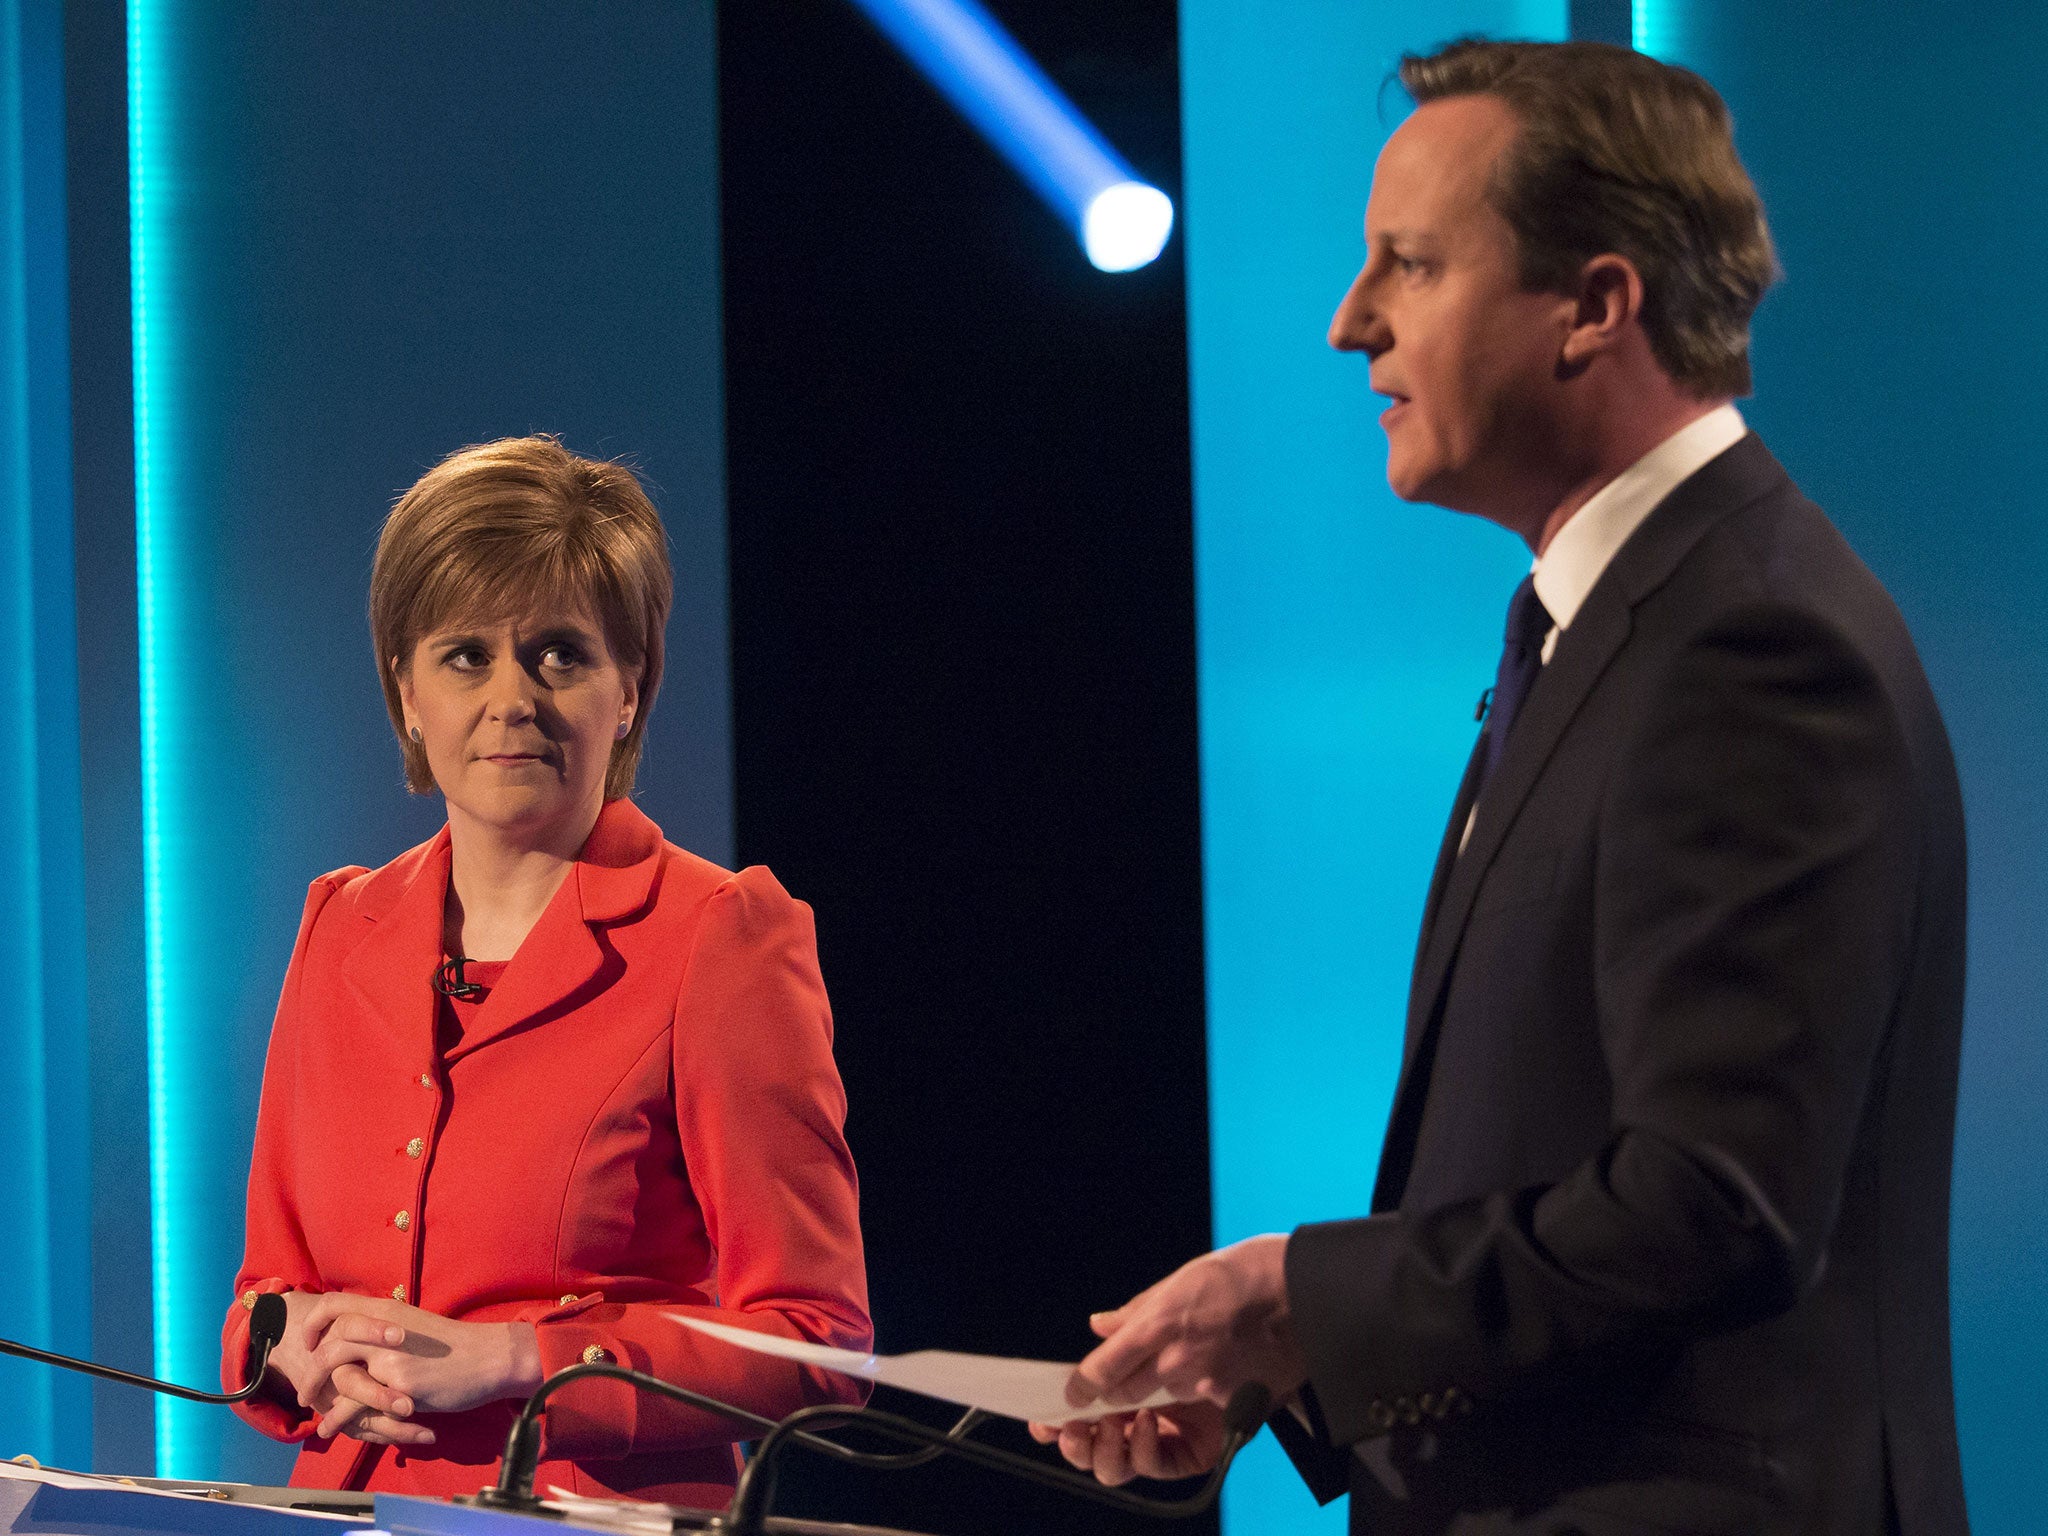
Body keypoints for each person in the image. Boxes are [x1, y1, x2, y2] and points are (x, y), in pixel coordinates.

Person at [1035, 39, 1969, 1536]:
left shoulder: (1752, 641)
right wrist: (1286, 1365)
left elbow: (1712, 1206)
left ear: (1596, 307)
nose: (1351, 324)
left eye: (1407, 265)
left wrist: (1296, 1294)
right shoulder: (1611, 621)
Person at [218, 436, 871, 1506]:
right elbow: (260, 1304)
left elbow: (819, 1343)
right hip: (345, 1512)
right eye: (465, 655)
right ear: (408, 695)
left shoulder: (722, 935)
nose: (512, 695)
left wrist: (521, 1361)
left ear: (631, 689)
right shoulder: (340, 925)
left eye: (560, 654)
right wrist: (292, 1348)